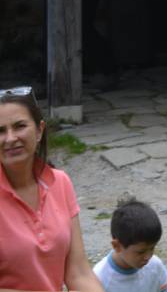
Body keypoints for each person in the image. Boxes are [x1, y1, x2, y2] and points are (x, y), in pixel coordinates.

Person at [0, 86, 106, 292]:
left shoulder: (61, 183)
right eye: (0, 131)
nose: (11, 138)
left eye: (19, 126)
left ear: (39, 130)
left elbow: (78, 272)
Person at [92, 198, 167, 292]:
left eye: (152, 248)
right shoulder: (99, 278)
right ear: (117, 246)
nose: (148, 257)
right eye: (140, 252)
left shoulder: (154, 265)